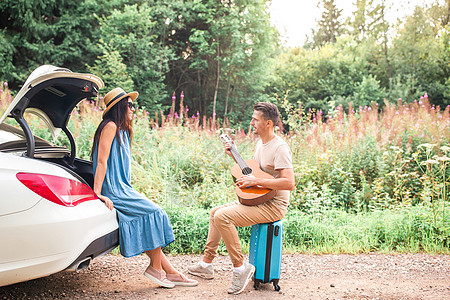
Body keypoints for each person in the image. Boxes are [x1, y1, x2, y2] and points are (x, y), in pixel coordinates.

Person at [91, 87, 198, 288]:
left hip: (123, 188)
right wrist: (97, 193)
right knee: (156, 213)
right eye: (129, 105)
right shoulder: (110, 126)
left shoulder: (123, 129)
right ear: (119, 107)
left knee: (148, 219)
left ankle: (171, 272)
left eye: (133, 105)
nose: (133, 109)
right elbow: (102, 161)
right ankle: (155, 269)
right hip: (113, 189)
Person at [188, 102, 295, 295]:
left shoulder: (280, 148)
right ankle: (206, 264)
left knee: (223, 217)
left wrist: (255, 180)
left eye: (255, 119)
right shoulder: (261, 143)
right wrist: (234, 155)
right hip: (262, 200)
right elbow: (255, 173)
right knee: (215, 213)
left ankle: (240, 267)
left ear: (268, 123)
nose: (251, 122)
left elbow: (289, 183)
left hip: (274, 205)